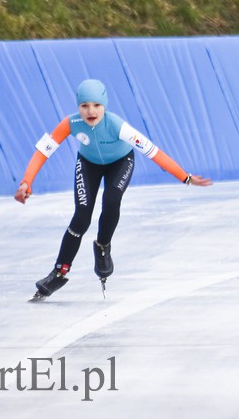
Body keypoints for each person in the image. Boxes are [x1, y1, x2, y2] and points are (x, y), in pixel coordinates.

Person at [14, 79, 213, 300]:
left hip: (120, 162)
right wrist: (26, 181)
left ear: (105, 105)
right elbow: (43, 152)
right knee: (81, 217)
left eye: (97, 105)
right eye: (84, 106)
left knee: (111, 200)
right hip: (88, 164)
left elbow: (154, 153)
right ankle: (59, 272)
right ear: (78, 106)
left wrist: (186, 178)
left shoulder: (118, 126)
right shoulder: (70, 123)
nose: (91, 111)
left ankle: (102, 245)